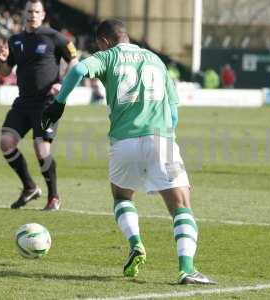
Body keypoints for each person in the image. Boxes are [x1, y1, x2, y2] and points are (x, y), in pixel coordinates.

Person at [41, 19, 216, 285]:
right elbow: (174, 110)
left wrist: (59, 104)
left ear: (104, 41)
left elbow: (77, 71)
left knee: (122, 196)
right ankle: (187, 269)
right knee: (181, 205)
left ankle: (136, 242)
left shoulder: (107, 56)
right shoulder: (155, 60)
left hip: (123, 142)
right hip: (162, 139)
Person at [0, 0, 78, 211]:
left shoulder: (55, 37)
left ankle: (54, 197)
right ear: (24, 14)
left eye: (37, 11)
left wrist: (63, 84)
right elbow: (5, 73)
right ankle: (29, 188)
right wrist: (3, 61)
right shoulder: (15, 40)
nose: (33, 15)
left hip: (47, 103)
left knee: (41, 148)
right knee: (6, 142)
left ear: (43, 15)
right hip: (23, 102)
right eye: (29, 11)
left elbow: (75, 62)